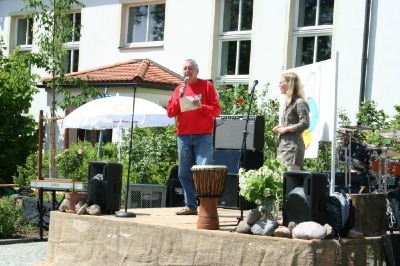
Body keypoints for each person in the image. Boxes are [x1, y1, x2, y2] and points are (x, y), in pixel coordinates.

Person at [167, 59, 221, 215]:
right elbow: (170, 112)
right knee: (184, 173)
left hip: (203, 136)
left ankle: (206, 207)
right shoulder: (179, 89)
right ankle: (190, 206)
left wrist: (201, 106)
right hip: (183, 136)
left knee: (203, 172)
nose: (187, 71)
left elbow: (216, 111)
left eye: (190, 68)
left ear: (197, 71)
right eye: (184, 68)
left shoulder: (207, 86)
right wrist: (179, 98)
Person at [273, 72, 310, 170]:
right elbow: (290, 123)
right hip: (283, 147)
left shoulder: (300, 102)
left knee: (289, 180)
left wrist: (286, 129)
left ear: (290, 84)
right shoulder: (287, 103)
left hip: (292, 148)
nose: (279, 85)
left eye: (281, 82)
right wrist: (281, 127)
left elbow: (305, 123)